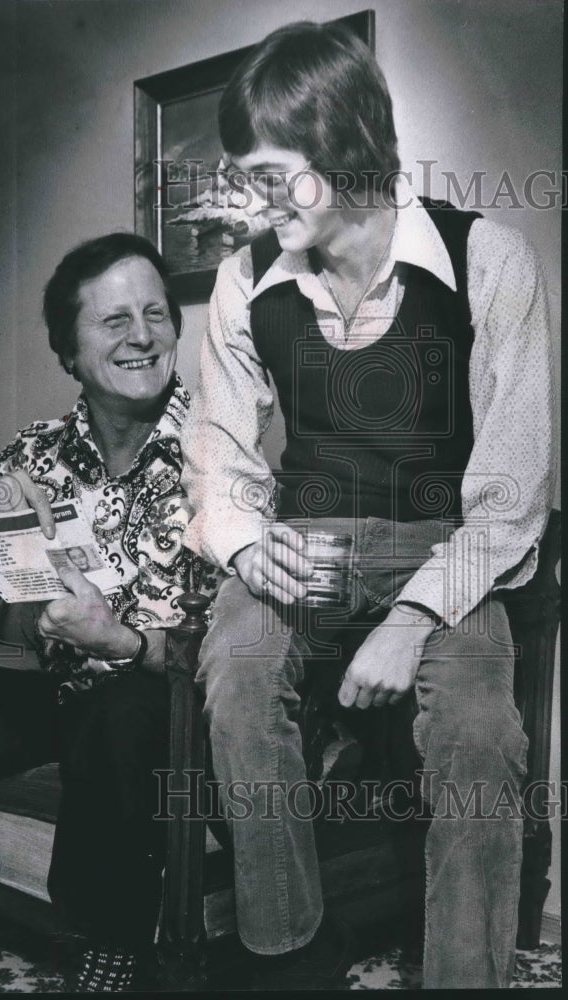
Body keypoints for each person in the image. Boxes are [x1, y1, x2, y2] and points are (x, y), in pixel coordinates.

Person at [181, 20, 556, 990]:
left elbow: (511, 494)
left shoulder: (488, 260)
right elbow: (219, 455)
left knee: (478, 733)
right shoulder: (242, 281)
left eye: (270, 176)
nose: (251, 201)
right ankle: (289, 955)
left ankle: (465, 978)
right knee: (236, 672)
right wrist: (242, 542)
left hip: (447, 546)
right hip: (302, 539)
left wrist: (411, 620)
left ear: (344, 146)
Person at [0, 232, 219, 994]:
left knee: (120, 713)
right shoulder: (38, 452)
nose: (141, 336)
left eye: (155, 314)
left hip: (169, 704)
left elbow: (241, 644)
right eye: (114, 320)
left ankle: (110, 958)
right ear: (68, 351)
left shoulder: (218, 452)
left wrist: (124, 641)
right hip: (64, 694)